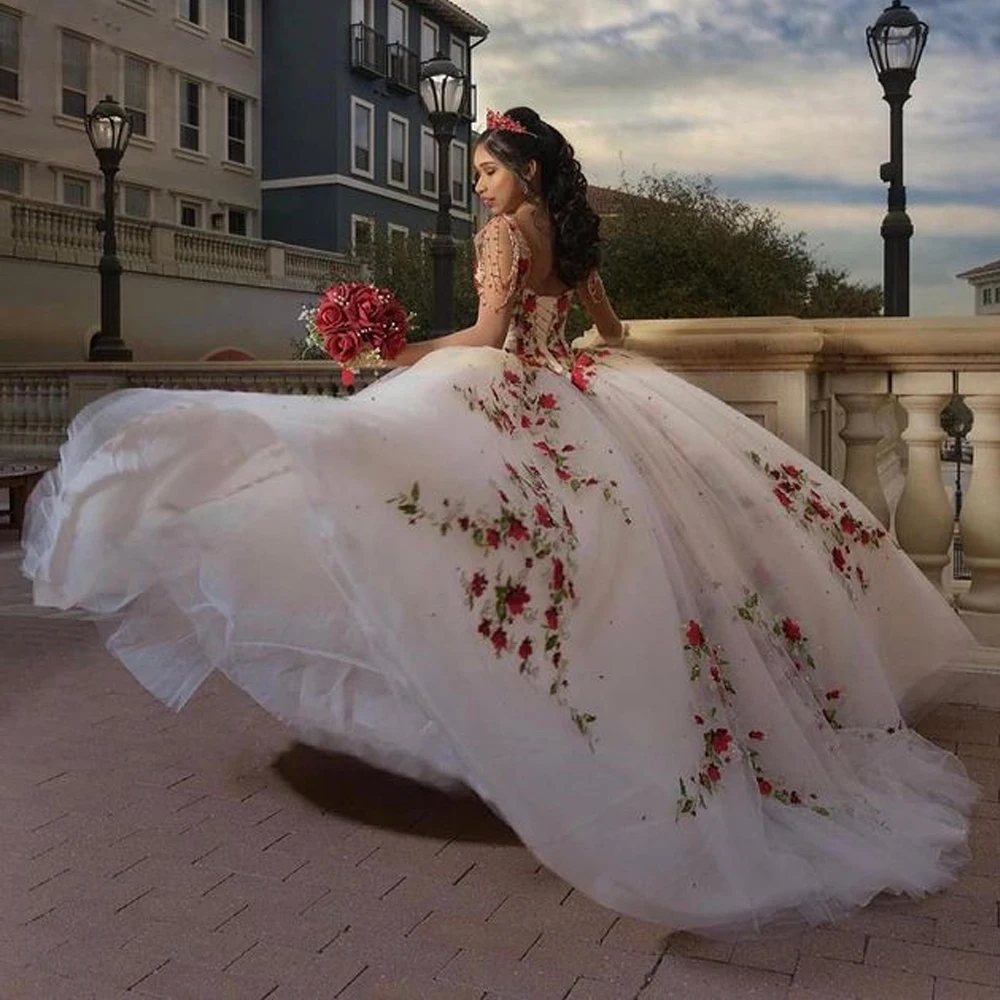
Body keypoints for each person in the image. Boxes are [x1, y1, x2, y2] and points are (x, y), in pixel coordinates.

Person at [22, 106, 977, 939]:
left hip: (515, 393)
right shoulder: (576, 243)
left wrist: (402, 349)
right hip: (585, 398)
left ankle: (511, 730)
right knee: (614, 569)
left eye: (487, 170)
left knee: (425, 519)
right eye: (476, 173)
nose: (478, 186)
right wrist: (561, 354)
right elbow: (613, 338)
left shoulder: (501, 240)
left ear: (523, 173)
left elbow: (484, 339)